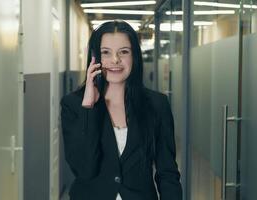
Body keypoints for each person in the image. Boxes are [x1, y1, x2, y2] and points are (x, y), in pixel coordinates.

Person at [60, 20, 182, 200]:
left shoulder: (157, 104)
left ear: (134, 57)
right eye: (106, 52)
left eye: (123, 52)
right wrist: (89, 107)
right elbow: (84, 169)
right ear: (95, 58)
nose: (115, 60)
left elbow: (168, 173)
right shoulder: (74, 105)